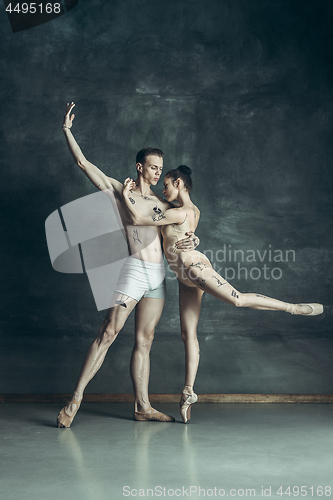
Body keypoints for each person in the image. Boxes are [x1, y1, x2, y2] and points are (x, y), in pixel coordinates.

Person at [122, 166, 324, 424]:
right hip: (184, 276)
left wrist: (126, 194)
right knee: (188, 334)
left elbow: (139, 219)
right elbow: (182, 232)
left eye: (168, 184)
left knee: (237, 299)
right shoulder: (191, 211)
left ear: (180, 183)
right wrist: (193, 239)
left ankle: (293, 308)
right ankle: (188, 392)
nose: (164, 188)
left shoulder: (179, 211)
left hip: (193, 267)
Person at [57, 104, 199, 427]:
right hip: (135, 270)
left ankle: (142, 406)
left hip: (157, 277)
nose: (158, 173)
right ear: (140, 167)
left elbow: (181, 229)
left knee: (144, 341)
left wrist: (193, 242)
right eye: (153, 167)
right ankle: (74, 400)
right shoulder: (119, 191)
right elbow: (83, 163)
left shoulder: (163, 203)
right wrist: (67, 131)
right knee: (108, 332)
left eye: (161, 168)